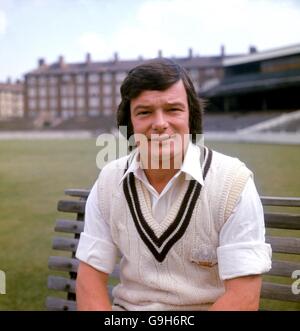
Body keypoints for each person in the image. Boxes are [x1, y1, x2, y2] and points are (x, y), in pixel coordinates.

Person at [75, 58, 272, 311]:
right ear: (130, 122)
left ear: (191, 115)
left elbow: (244, 298)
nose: (159, 123)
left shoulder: (233, 181)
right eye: (144, 112)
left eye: (173, 109)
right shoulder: (109, 181)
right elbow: (89, 279)